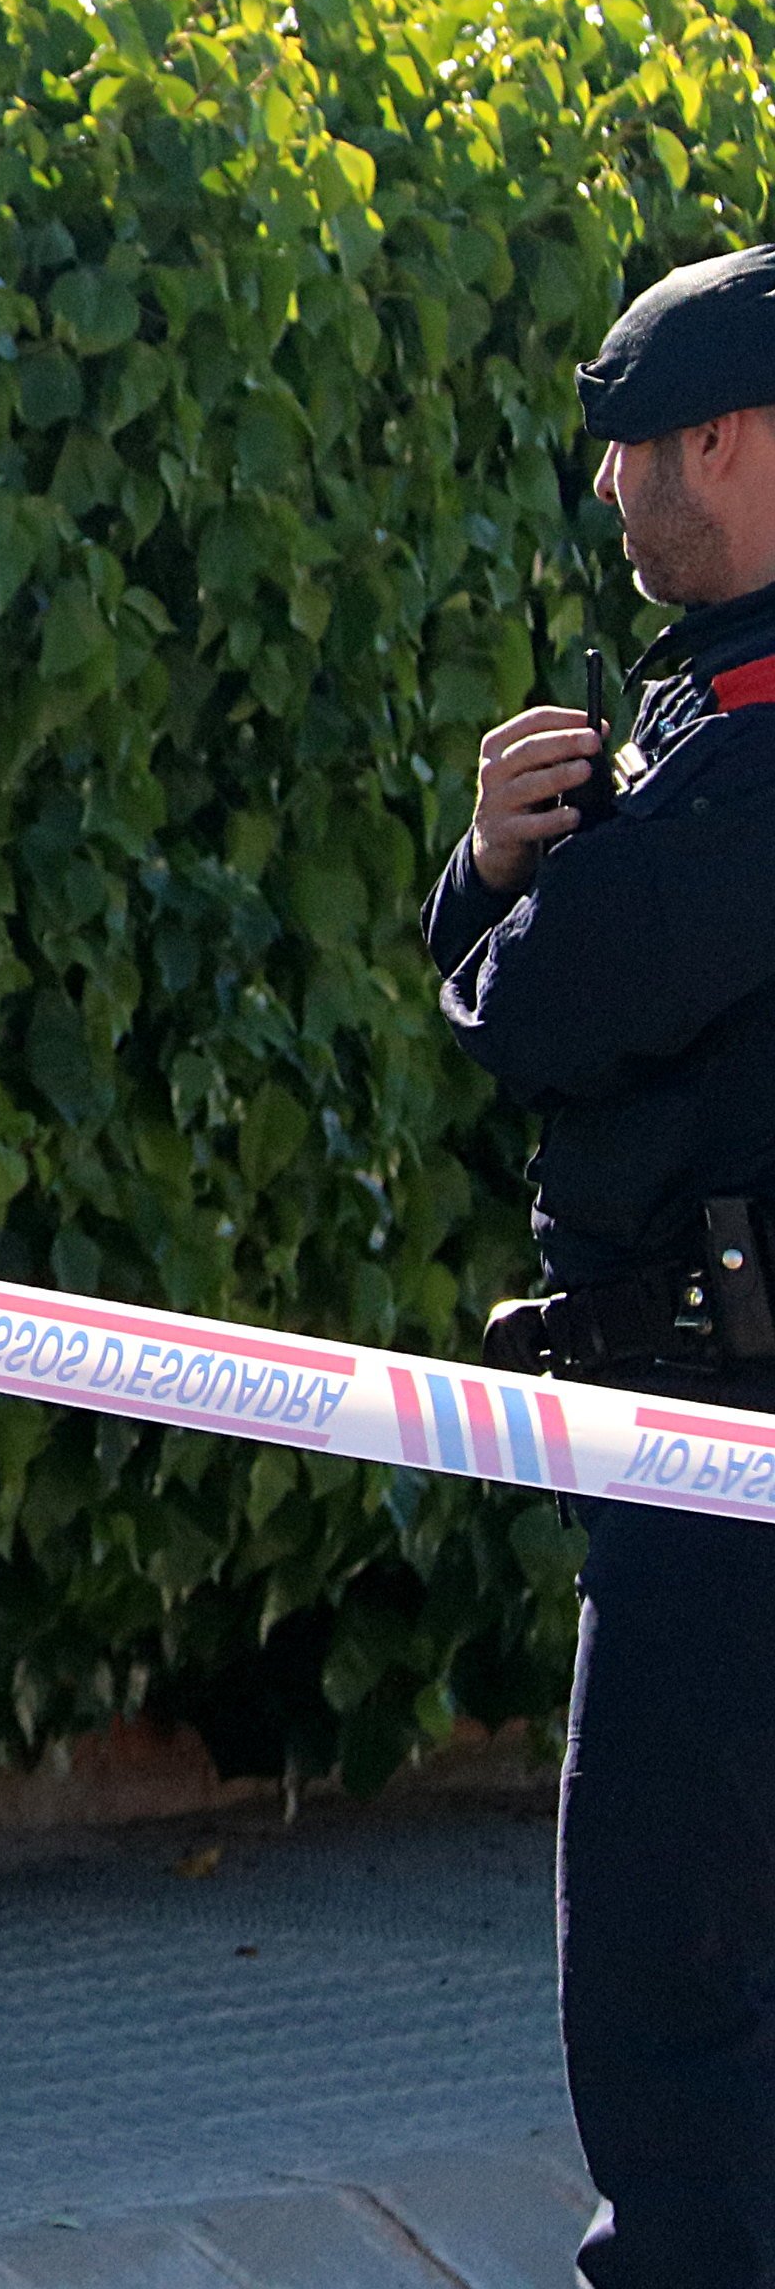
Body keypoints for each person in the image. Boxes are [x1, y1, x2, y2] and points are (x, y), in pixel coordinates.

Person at [433, 242, 775, 2289]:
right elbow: (527, 959)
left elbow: (547, 1012)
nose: (604, 493)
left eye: (626, 448)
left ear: (726, 437)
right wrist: (487, 866)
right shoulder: (707, 697)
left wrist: (495, 922)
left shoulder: (759, 737)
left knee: (667, 1994)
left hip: (727, 1458)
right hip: (694, 1421)